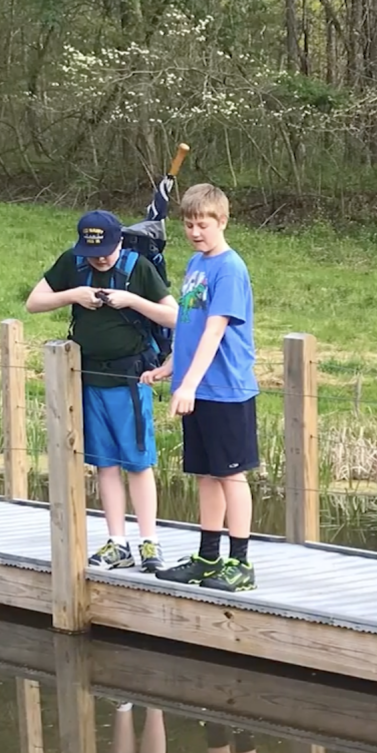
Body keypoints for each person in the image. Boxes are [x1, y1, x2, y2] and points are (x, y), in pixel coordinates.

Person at [25, 210, 177, 572]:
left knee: (138, 462)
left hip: (131, 380)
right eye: (93, 252)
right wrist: (74, 294)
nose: (100, 258)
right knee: (105, 464)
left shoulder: (138, 267)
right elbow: (34, 303)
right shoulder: (73, 265)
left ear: (120, 241)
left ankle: (149, 542)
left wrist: (131, 301)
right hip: (90, 378)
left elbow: (174, 316)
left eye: (106, 250)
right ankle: (118, 542)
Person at [148, 184, 259, 593]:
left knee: (232, 476)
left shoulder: (230, 269)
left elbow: (215, 331)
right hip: (195, 386)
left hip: (225, 388)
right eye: (189, 224)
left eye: (203, 224)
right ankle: (207, 556)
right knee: (206, 476)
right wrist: (170, 368)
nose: (195, 232)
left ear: (222, 221)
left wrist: (189, 385)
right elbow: (191, 328)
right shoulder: (196, 263)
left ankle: (241, 563)